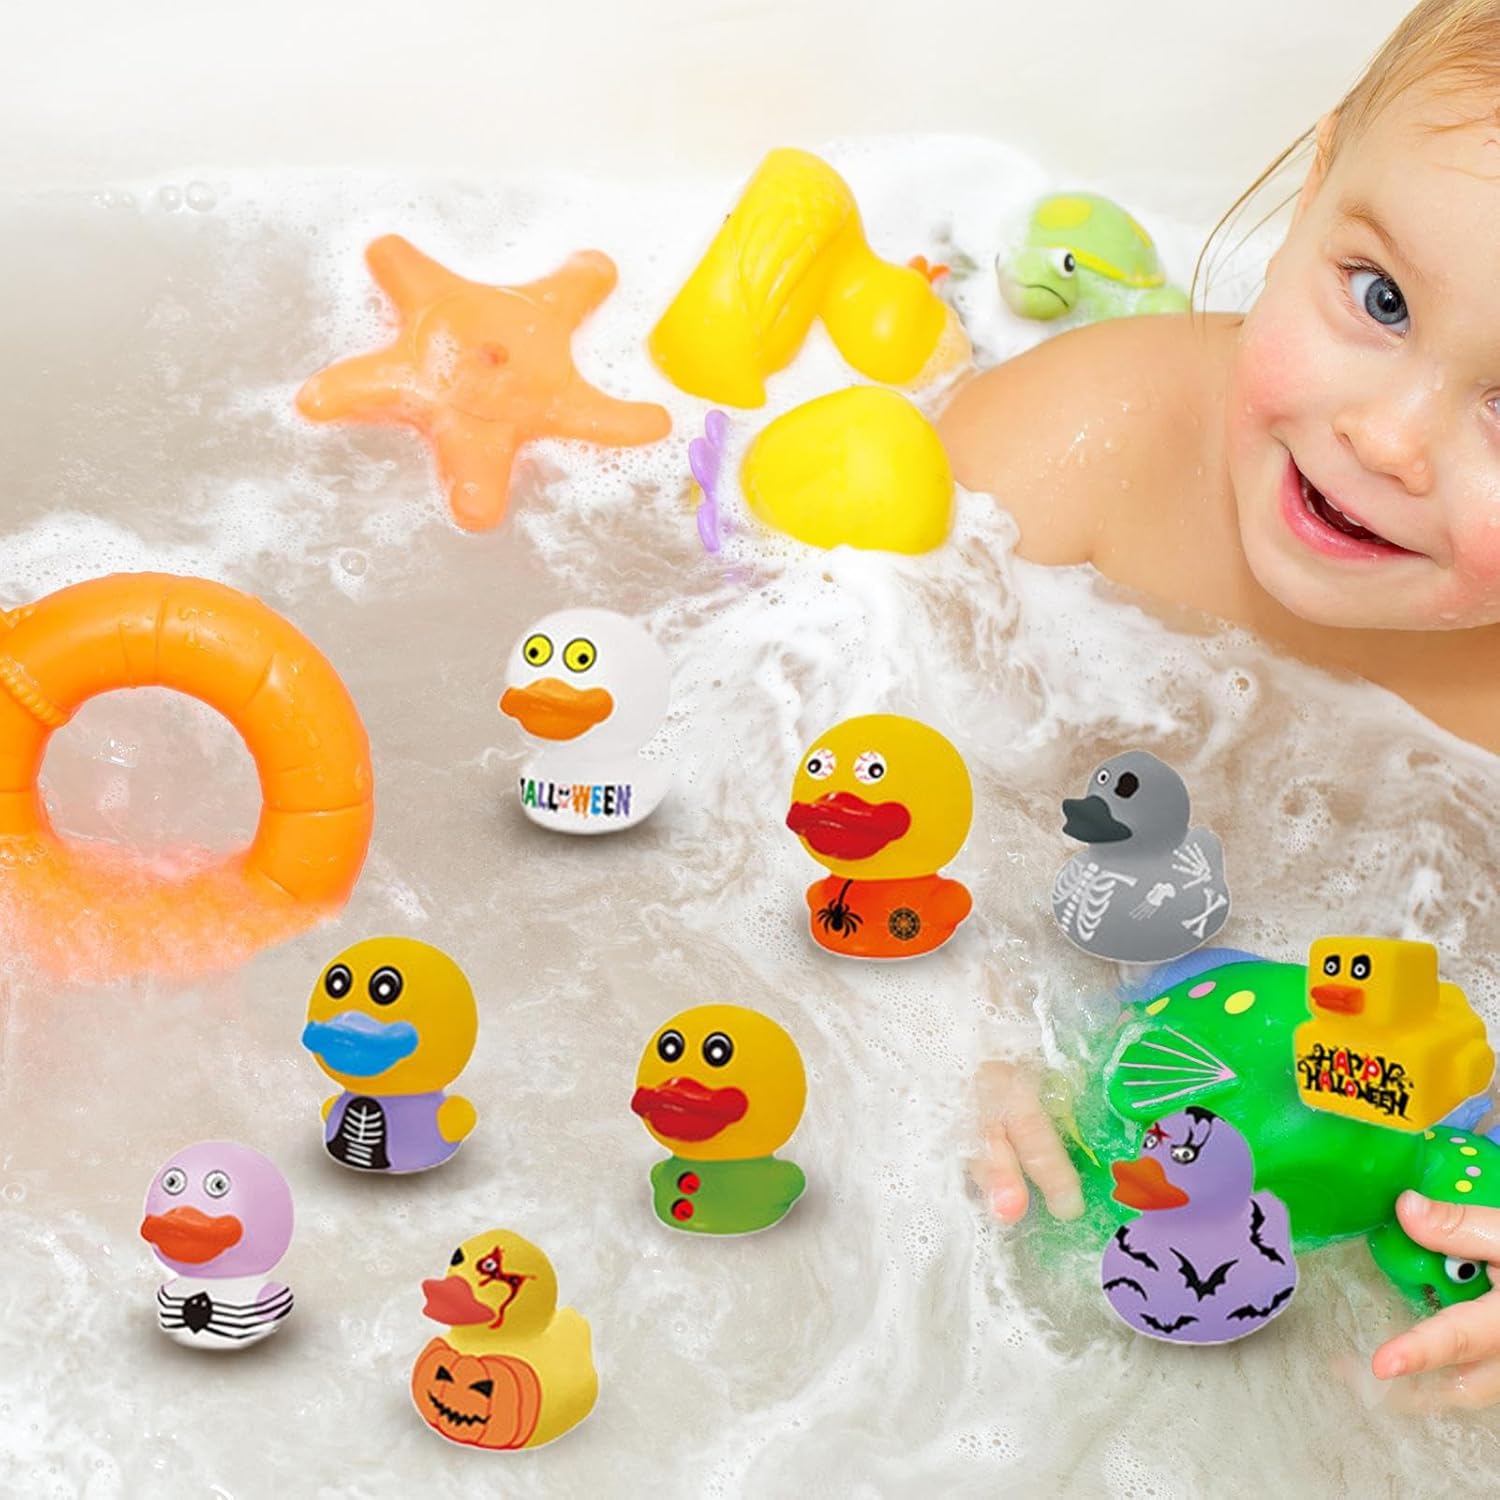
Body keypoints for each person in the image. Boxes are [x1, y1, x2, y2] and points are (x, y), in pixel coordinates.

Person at [947, 0, 1500, 1406]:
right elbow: (857, 757)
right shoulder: (1077, 453)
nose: (1386, 435)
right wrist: (980, 1028)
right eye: (1380, 298)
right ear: (1314, 188)